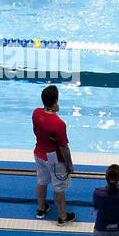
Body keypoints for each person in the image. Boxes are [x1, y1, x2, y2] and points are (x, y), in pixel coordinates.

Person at [33, 85, 74, 224]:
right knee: (58, 189)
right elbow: (64, 148)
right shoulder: (58, 123)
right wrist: (70, 165)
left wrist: (52, 109)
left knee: (41, 182)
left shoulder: (36, 113)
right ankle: (62, 216)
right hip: (55, 160)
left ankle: (41, 209)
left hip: (39, 154)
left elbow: (45, 120)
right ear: (56, 101)